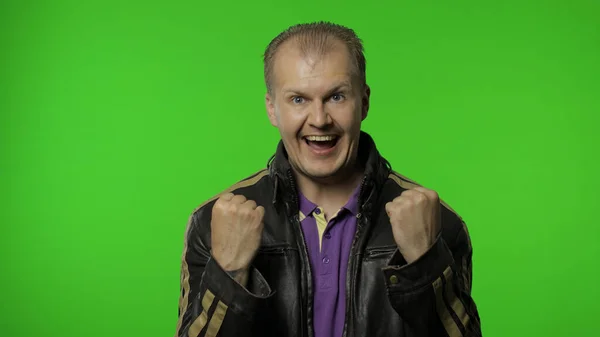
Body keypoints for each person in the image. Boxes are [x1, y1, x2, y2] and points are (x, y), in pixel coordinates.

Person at [174, 21, 482, 337]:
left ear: (364, 102)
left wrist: (426, 267)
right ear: (271, 108)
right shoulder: (212, 222)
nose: (319, 120)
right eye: (298, 99)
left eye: (336, 97)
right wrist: (228, 275)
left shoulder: (436, 221)